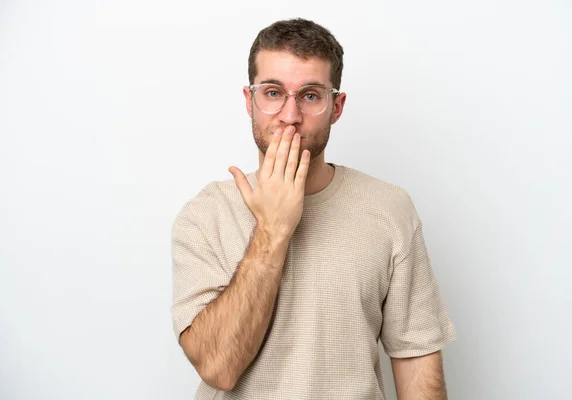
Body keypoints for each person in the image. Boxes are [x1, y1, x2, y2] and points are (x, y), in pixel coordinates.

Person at [171, 18, 457, 400]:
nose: (289, 115)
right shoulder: (205, 215)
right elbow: (218, 368)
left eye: (309, 95)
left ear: (336, 106)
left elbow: (416, 362)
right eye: (272, 92)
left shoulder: (390, 209)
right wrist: (273, 229)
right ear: (248, 101)